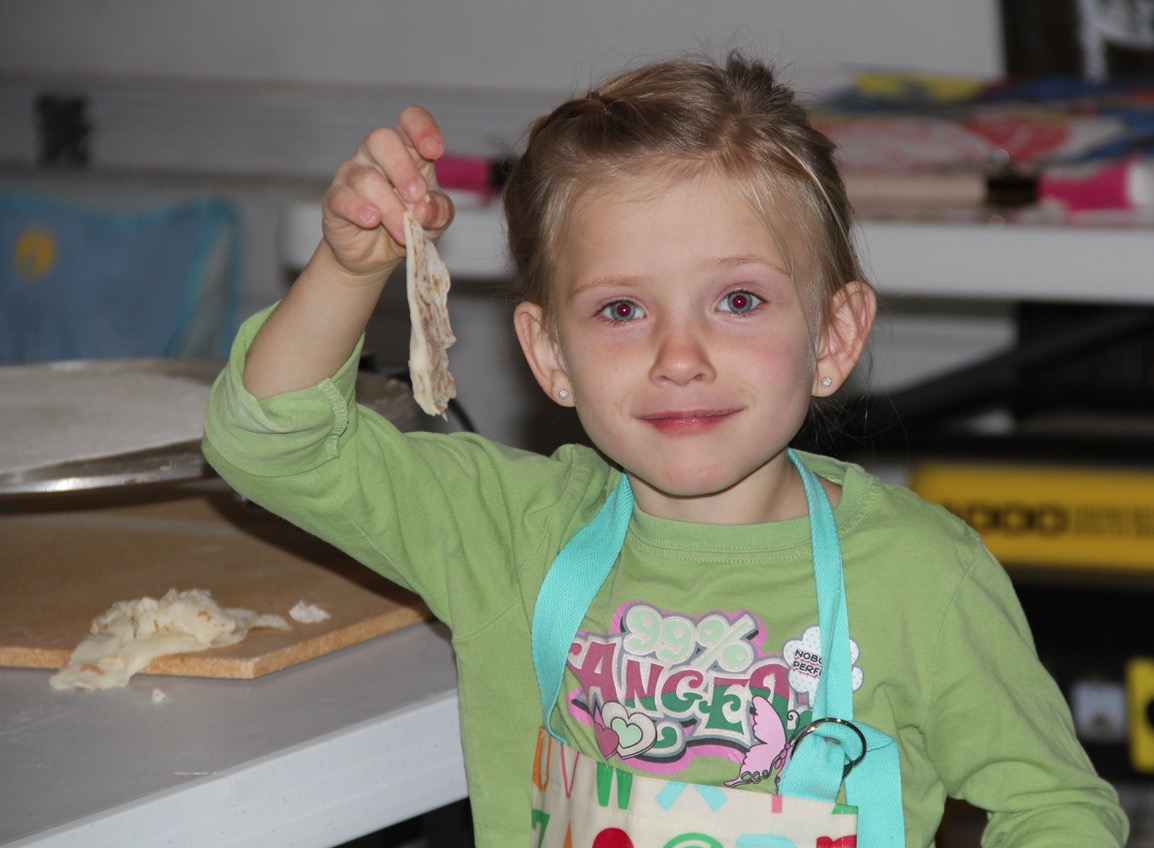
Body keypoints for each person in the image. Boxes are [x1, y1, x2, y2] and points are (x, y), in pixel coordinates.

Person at [203, 52, 1127, 847]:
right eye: (621, 310)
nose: (678, 358)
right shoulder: (507, 536)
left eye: (737, 301)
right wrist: (349, 269)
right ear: (550, 356)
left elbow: (1055, 807)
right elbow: (273, 443)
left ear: (834, 337)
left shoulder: (924, 579)